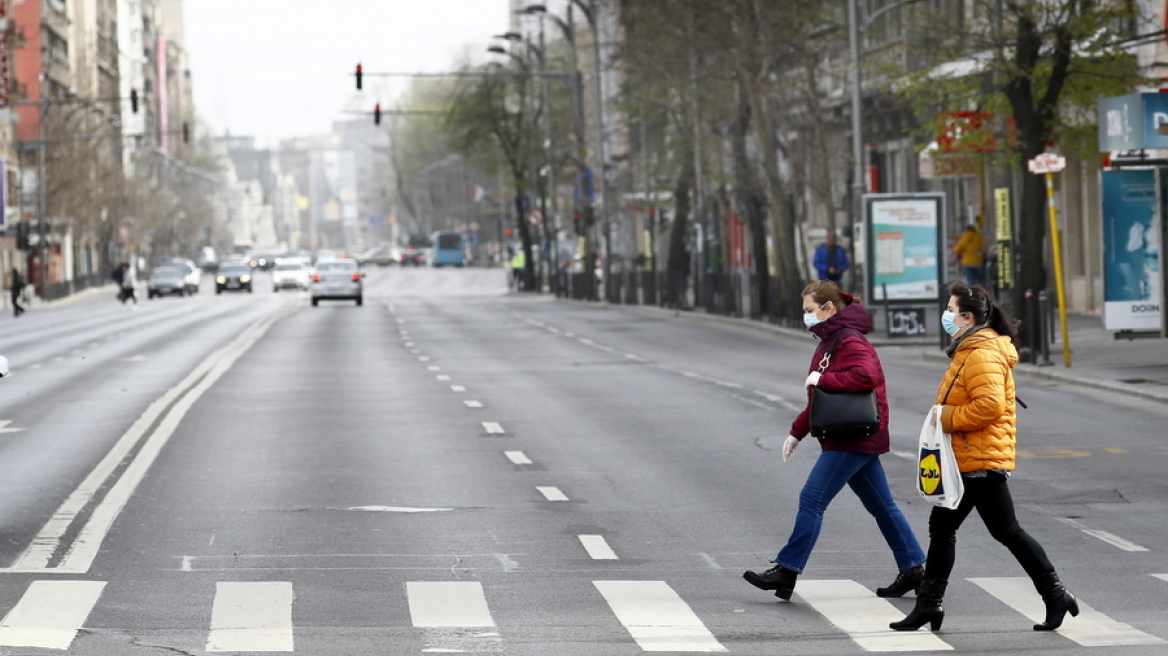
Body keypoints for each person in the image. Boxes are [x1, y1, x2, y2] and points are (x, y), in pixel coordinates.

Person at [891, 282, 1077, 633]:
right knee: (952, 529)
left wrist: (944, 418)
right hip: (969, 456)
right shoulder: (970, 348)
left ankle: (1054, 594)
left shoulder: (982, 353)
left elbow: (990, 406)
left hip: (980, 459)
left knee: (1000, 531)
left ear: (968, 317)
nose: (946, 315)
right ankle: (929, 605)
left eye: (950, 310)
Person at [743, 280, 926, 601]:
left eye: (810, 310)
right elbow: (822, 399)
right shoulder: (831, 340)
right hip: (853, 434)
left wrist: (823, 378)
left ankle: (787, 569)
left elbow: (865, 376)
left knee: (812, 499)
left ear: (829, 309)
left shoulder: (849, 339)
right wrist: (797, 432)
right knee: (882, 506)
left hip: (851, 438)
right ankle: (913, 568)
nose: (807, 317)